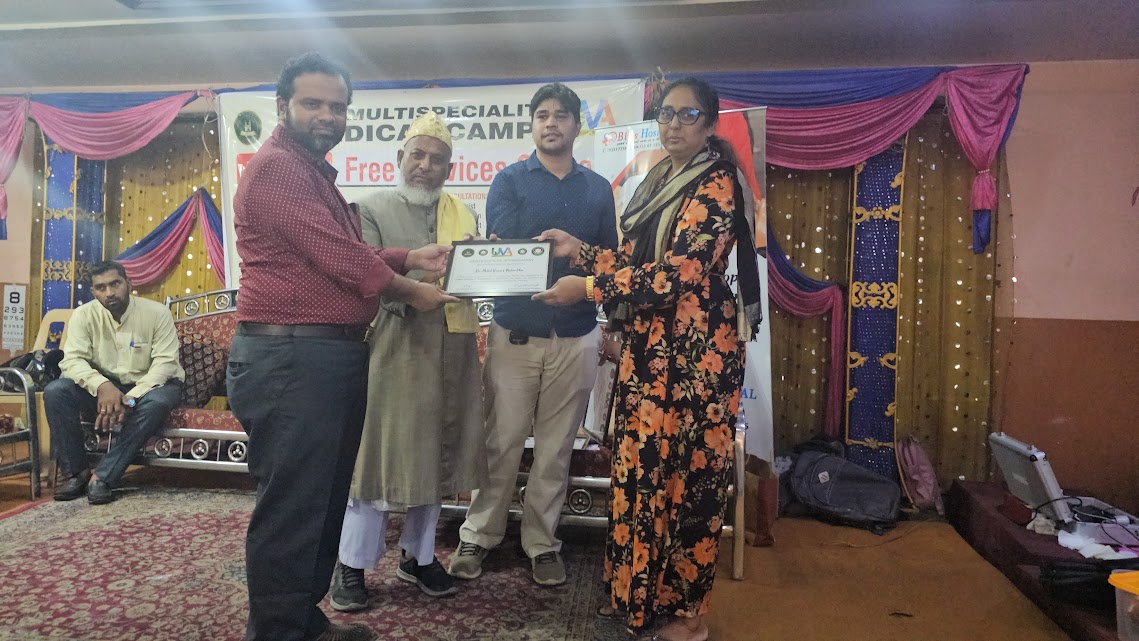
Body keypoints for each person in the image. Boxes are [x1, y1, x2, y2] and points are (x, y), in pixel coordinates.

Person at [228, 52, 456, 641]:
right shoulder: (279, 168)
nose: (327, 115)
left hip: (320, 357)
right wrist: (411, 287)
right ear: (283, 106)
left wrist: (407, 255)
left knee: (322, 501)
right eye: (313, 103)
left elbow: (337, 252)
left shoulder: (310, 171)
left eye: (337, 106)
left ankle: (301, 621)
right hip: (292, 359)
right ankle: (277, 631)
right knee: (294, 508)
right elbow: (342, 259)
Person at [533, 77, 763, 641]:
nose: (673, 124)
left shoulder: (717, 182)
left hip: (695, 357)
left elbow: (678, 274)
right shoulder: (659, 179)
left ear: (710, 124)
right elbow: (636, 263)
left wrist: (589, 287)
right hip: (650, 348)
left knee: (687, 480)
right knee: (641, 471)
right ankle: (636, 597)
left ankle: (685, 615)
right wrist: (580, 251)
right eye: (665, 114)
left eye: (687, 115)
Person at [449, 83, 618, 587]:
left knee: (556, 448)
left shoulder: (598, 189)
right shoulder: (508, 181)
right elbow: (504, 251)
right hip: (516, 332)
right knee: (501, 442)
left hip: (577, 334)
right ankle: (479, 534)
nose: (551, 123)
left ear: (576, 126)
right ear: (531, 125)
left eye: (561, 115)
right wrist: (492, 258)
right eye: (542, 115)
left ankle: (542, 542)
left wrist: (586, 277)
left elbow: (610, 261)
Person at [329, 112, 485, 611]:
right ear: (400, 157)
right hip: (394, 350)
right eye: (417, 155)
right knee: (378, 459)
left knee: (435, 455)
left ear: (449, 168)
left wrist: (488, 263)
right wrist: (416, 288)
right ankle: (352, 564)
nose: (425, 166)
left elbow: (472, 278)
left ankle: (418, 557)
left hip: (452, 349)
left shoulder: (463, 215)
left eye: (437, 159)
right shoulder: (368, 208)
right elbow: (364, 273)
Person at [44, 260, 184, 506]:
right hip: (105, 387)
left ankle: (103, 477)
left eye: (115, 284)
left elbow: (165, 364)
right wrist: (102, 386)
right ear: (93, 291)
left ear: (128, 283)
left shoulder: (156, 313)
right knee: (56, 391)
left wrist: (129, 399)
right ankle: (77, 473)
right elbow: (72, 361)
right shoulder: (83, 315)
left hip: (151, 387)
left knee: (157, 404)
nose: (109, 292)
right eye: (101, 287)